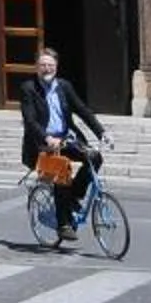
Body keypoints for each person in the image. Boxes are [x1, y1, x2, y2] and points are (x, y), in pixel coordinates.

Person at [19, 47, 105, 244]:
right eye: (43, 65)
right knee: (61, 171)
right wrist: (46, 137)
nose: (47, 69)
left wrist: (102, 132)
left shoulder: (64, 86)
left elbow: (82, 110)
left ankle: (74, 195)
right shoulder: (28, 88)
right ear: (36, 67)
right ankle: (63, 224)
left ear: (56, 67)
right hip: (43, 144)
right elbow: (30, 120)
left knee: (94, 158)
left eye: (50, 65)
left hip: (66, 139)